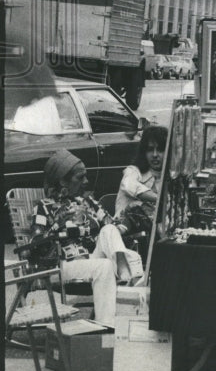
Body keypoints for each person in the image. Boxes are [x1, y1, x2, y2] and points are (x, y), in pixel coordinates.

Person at [29, 151, 143, 327]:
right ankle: (108, 325)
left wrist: (130, 217)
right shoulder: (44, 207)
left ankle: (124, 273)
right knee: (106, 266)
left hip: (88, 260)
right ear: (62, 181)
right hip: (61, 265)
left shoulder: (87, 202)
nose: (86, 182)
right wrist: (57, 225)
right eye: (80, 177)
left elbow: (111, 226)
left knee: (110, 231)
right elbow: (35, 244)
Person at [116, 125, 168, 234]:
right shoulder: (133, 171)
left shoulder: (169, 178)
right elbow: (129, 185)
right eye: (150, 150)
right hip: (124, 236)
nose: (155, 155)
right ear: (143, 152)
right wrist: (159, 199)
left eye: (160, 150)